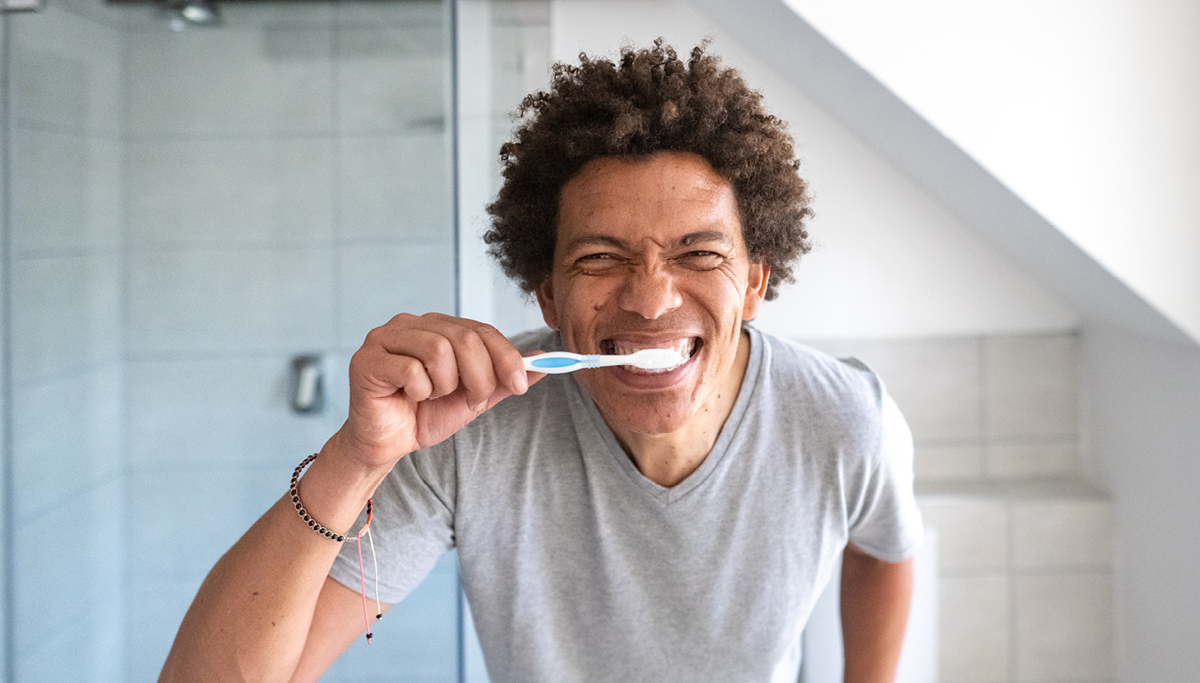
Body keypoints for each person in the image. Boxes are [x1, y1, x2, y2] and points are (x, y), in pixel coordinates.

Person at [160, 41, 922, 683]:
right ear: (547, 293)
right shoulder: (470, 431)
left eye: (699, 253)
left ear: (755, 282)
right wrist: (355, 457)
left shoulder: (844, 418)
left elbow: (886, 551)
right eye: (601, 256)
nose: (652, 301)